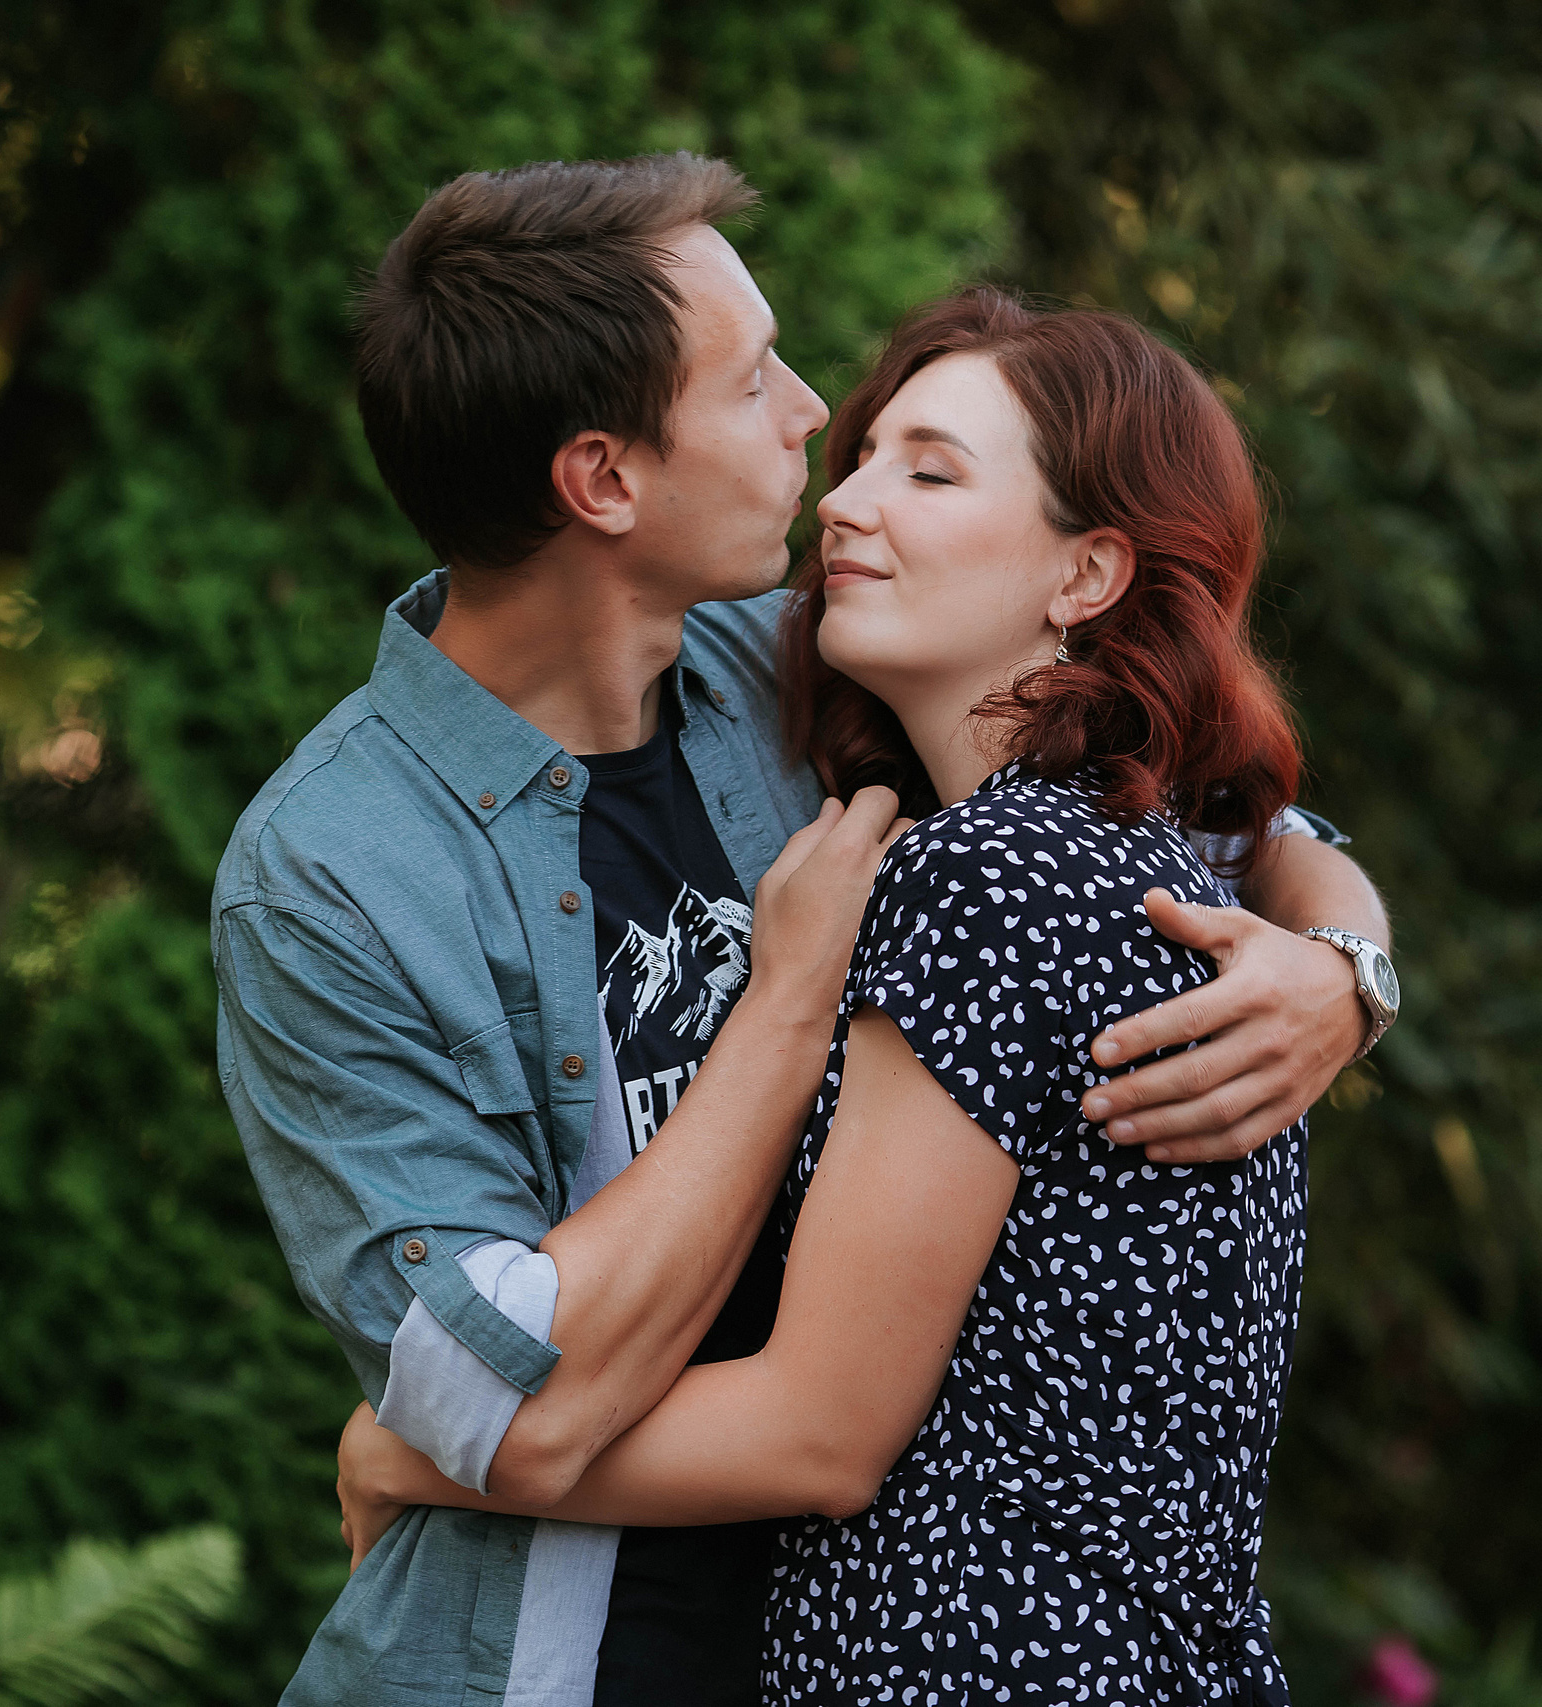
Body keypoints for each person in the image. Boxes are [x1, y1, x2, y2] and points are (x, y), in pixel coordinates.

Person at [214, 154, 1391, 1707]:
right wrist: (786, 1000)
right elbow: (496, 1396)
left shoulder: (807, 671)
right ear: (605, 482)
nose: (813, 419)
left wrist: (1340, 974)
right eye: (754, 376)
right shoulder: (333, 875)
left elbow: (1207, 815)